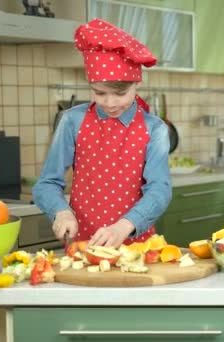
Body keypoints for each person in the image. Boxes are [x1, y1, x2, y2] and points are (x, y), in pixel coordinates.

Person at [33, 18, 172, 248]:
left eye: (120, 94)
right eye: (99, 93)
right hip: (83, 247)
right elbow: (47, 183)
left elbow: (159, 190)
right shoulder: (72, 121)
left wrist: (125, 225)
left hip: (137, 247)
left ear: (136, 83)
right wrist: (61, 212)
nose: (109, 103)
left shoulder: (154, 129)